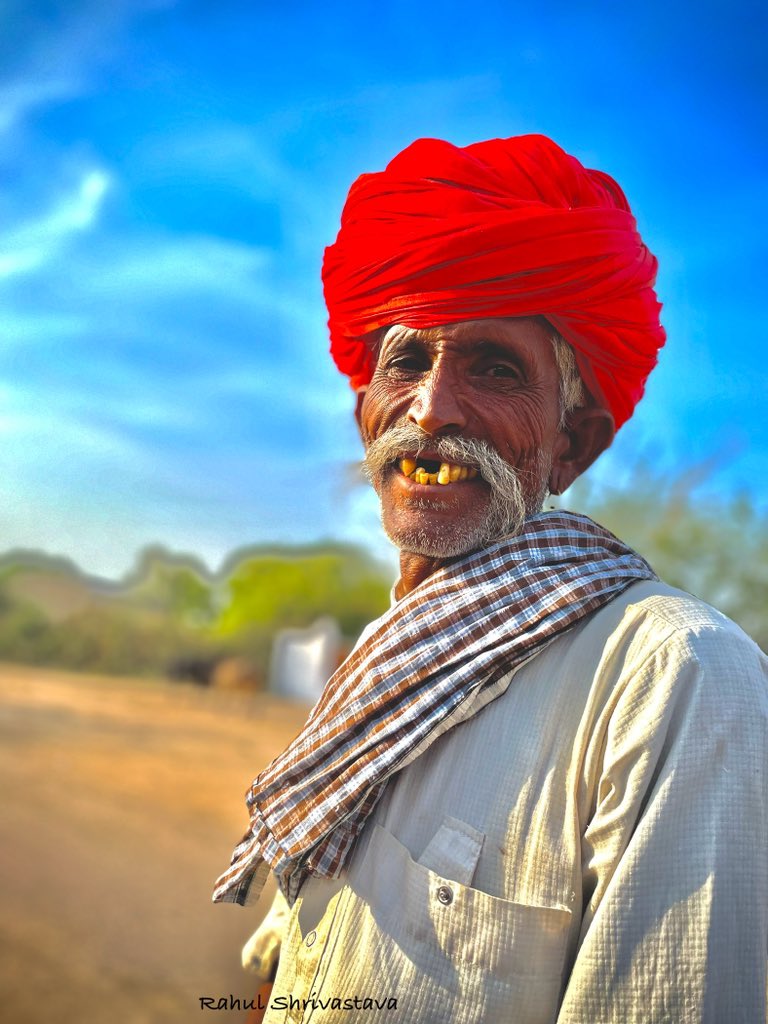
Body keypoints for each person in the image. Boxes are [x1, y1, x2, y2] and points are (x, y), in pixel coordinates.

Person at [213, 135, 768, 1023]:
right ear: (366, 409)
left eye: (496, 368)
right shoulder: (386, 650)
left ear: (571, 444)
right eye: (407, 361)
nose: (433, 408)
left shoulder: (675, 678)